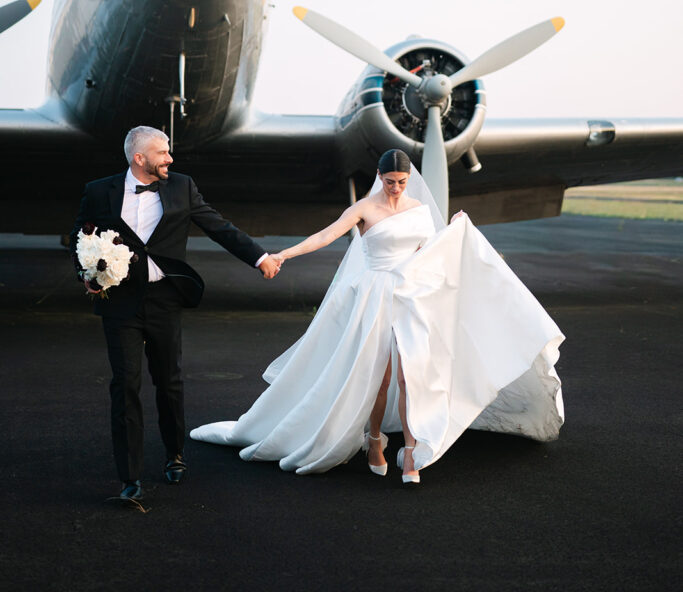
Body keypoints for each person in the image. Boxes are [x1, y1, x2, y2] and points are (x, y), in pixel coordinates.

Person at [190, 149, 565, 483]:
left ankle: (412, 454)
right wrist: (284, 255)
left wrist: (456, 233)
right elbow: (324, 236)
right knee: (380, 377)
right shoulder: (364, 208)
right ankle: (374, 442)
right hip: (374, 294)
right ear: (379, 177)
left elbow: (431, 251)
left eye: (402, 182)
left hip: (411, 296)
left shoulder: (418, 209)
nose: (396, 188)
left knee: (411, 373)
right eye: (390, 182)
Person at [70, 125, 281, 503]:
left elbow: (219, 227)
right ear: (139, 158)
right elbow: (80, 237)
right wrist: (88, 275)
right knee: (125, 386)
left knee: (169, 382)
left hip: (165, 299)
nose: (170, 158)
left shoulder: (182, 186)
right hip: (119, 304)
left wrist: (260, 257)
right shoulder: (99, 191)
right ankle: (129, 476)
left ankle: (175, 454)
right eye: (162, 152)